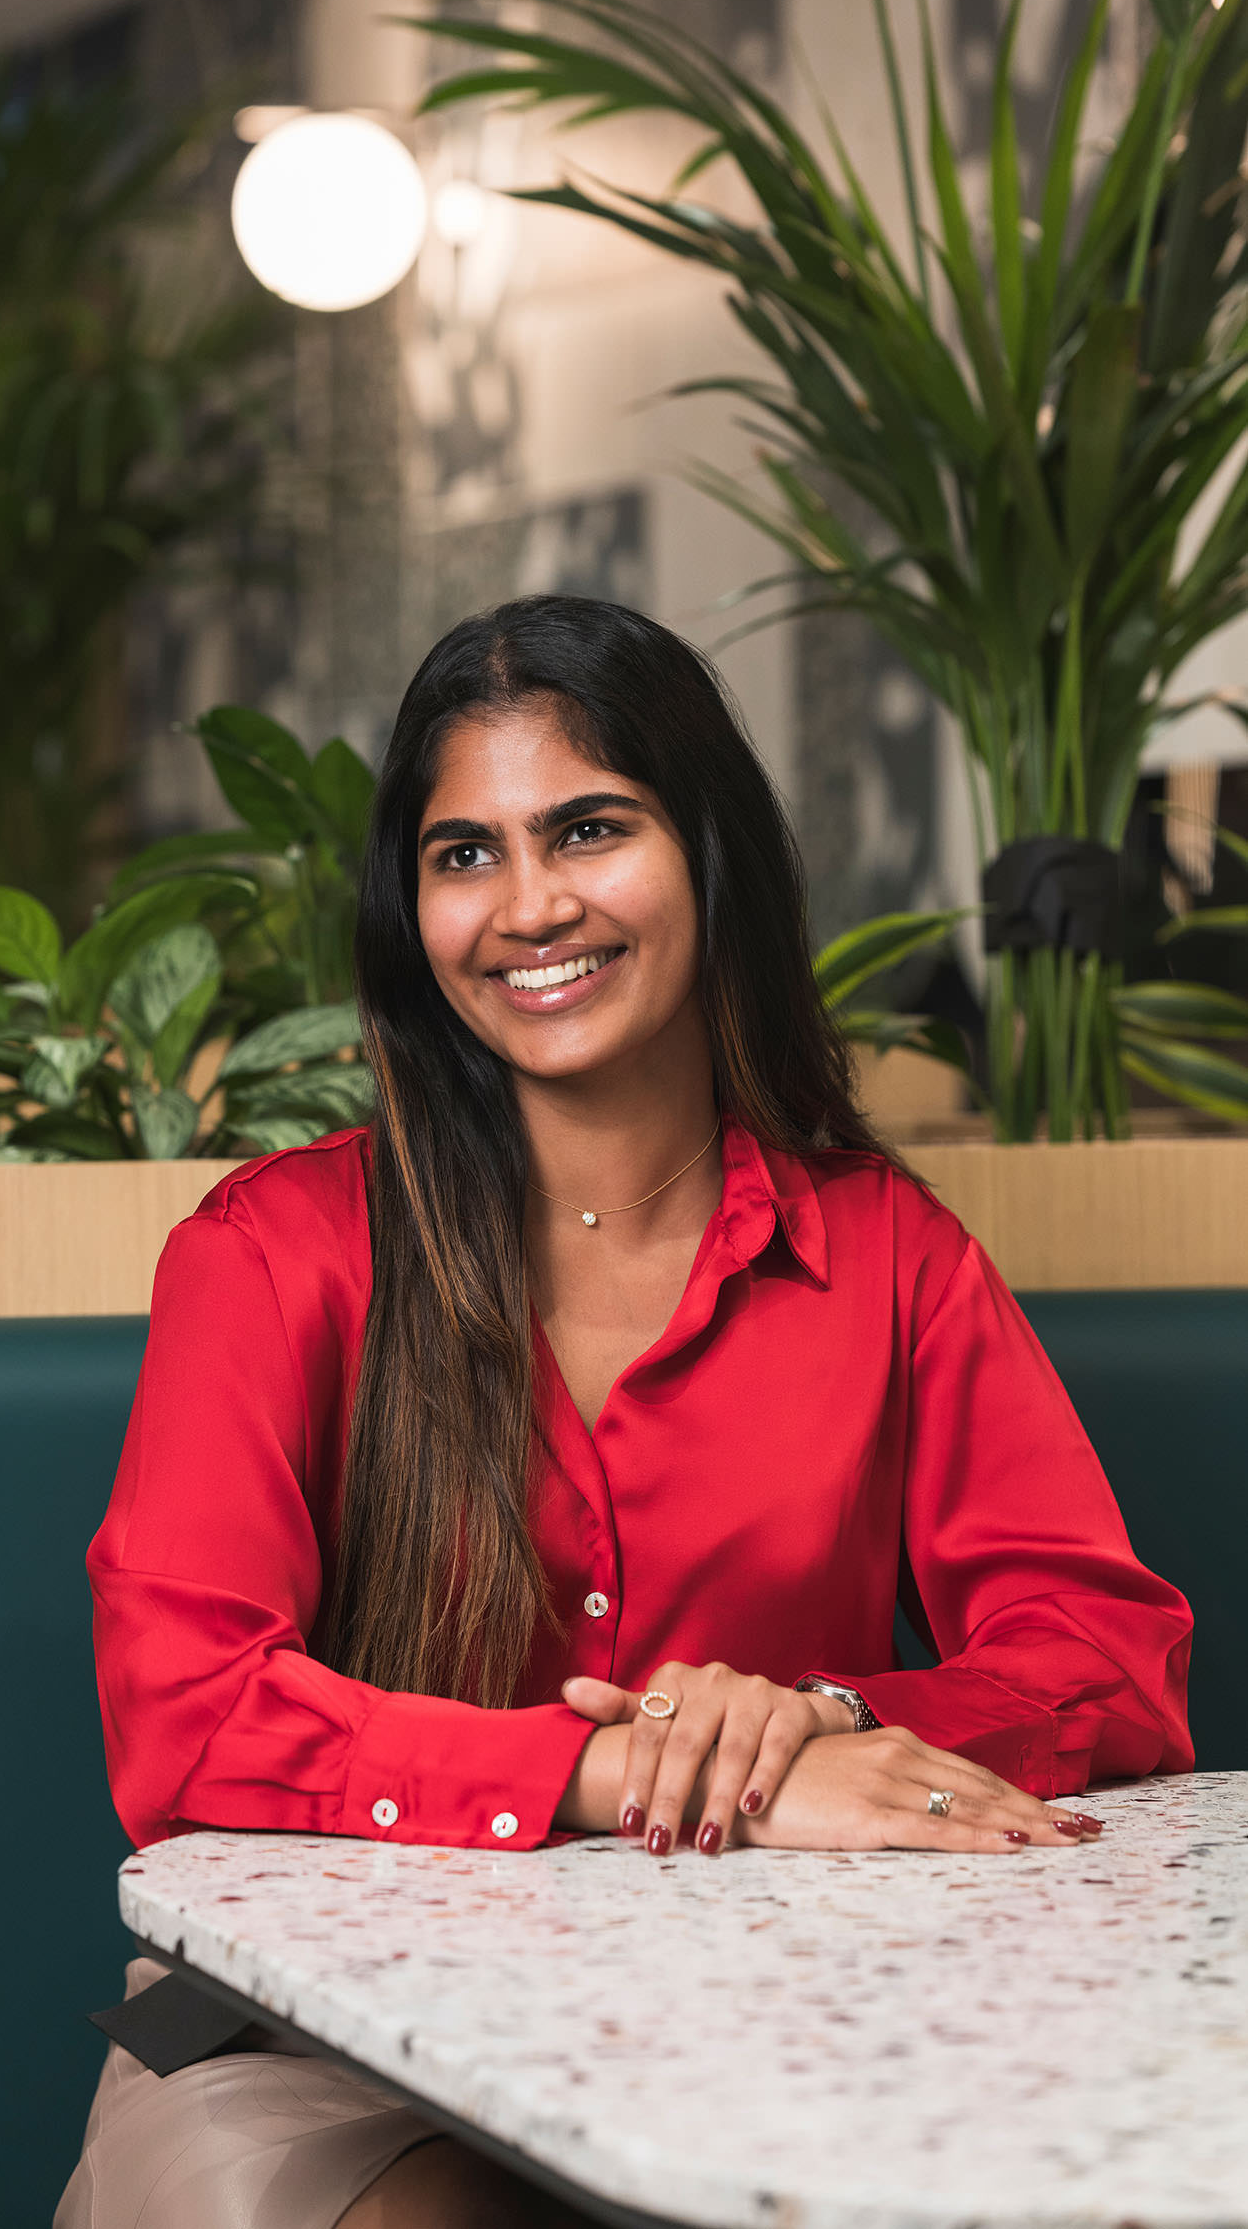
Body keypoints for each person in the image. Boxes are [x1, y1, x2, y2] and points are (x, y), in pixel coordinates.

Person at [57, 596, 1192, 2229]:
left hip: (772, 2025)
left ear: (708, 850)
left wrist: (825, 1723)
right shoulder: (271, 1255)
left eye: (590, 828)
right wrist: (636, 1774)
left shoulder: (887, 1254)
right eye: (467, 854)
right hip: (314, 2041)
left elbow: (1109, 1653)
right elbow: (188, 1714)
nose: (531, 906)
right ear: (413, 907)